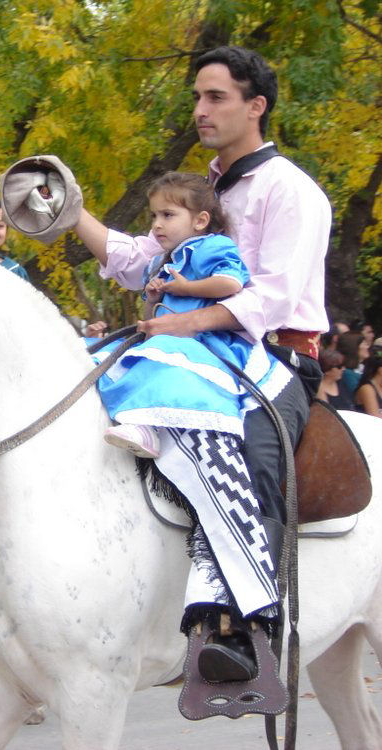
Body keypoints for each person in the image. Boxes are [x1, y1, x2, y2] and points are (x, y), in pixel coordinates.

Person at [70, 45, 332, 684]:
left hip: (275, 357)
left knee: (252, 449)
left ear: (256, 105)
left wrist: (181, 321)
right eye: (196, 97)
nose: (200, 110)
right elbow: (142, 261)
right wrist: (71, 213)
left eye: (216, 97)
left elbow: (270, 298)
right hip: (193, 349)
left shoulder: (292, 191)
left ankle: (247, 631)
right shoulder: (202, 190)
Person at [95, 172, 262, 458]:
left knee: (162, 357)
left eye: (168, 215)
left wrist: (187, 288)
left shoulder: (211, 246)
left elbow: (231, 282)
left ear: (200, 220)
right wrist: (153, 299)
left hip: (203, 342)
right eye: (154, 216)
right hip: (169, 337)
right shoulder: (162, 261)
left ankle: (147, 427)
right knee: (108, 353)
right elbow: (153, 314)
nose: (157, 224)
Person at [337, 330, 369, 399]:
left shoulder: (364, 368)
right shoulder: (347, 373)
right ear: (354, 347)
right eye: (364, 343)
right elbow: (358, 396)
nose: (368, 347)